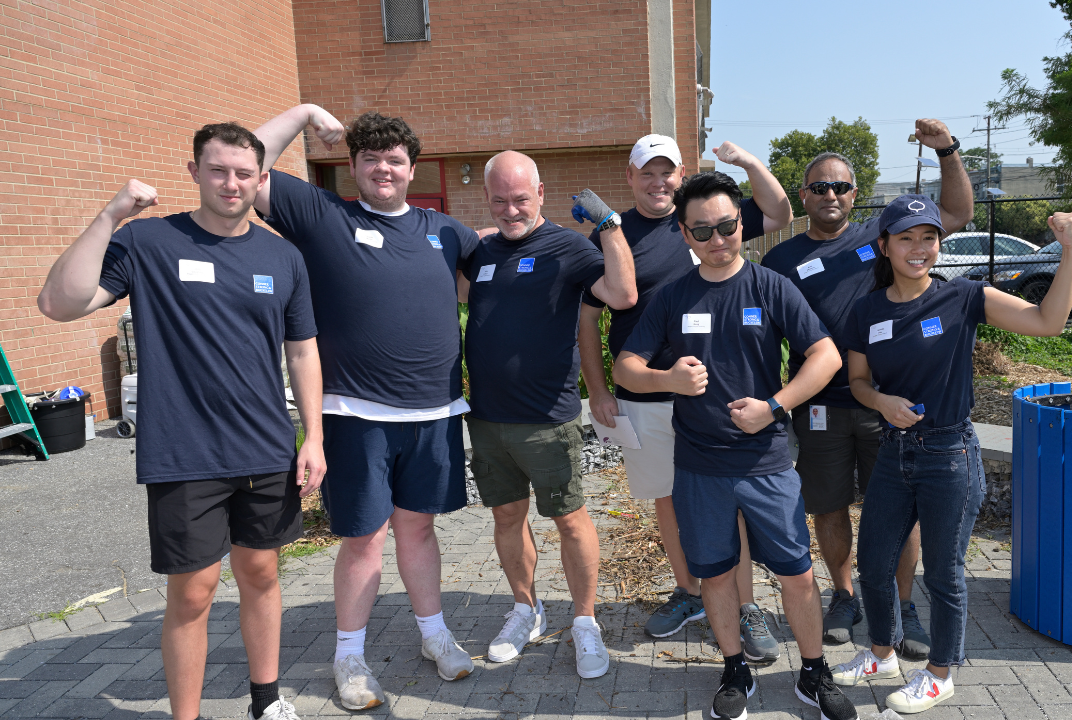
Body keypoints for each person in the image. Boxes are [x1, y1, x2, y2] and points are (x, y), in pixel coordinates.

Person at [36, 123, 326, 720]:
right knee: (193, 593)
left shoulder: (283, 256)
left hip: (266, 445)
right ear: (195, 172)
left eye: (244, 173)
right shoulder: (149, 242)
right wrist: (109, 216)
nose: (231, 183)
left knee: (261, 572)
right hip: (184, 450)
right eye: (218, 170)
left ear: (260, 179)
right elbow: (59, 303)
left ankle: (266, 701)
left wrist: (314, 436)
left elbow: (302, 351)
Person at [251, 105, 478, 710]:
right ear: (351, 166)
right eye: (370, 159)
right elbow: (246, 163)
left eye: (394, 160)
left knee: (419, 529)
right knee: (363, 539)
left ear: (412, 169)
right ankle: (349, 656)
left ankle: (435, 635)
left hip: (433, 414)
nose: (383, 169)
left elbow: (504, 268)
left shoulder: (445, 231)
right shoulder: (324, 216)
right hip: (354, 415)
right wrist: (305, 114)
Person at [614, 172, 858, 720]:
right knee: (717, 574)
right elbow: (625, 367)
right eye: (702, 231)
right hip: (698, 465)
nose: (717, 239)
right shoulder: (673, 296)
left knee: (797, 573)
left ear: (741, 225)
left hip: (766, 461)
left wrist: (774, 405)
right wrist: (667, 379)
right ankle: (734, 669)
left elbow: (826, 356)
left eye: (726, 226)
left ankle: (813, 673)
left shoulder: (770, 286)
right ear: (684, 234)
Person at [835, 195, 1072, 713]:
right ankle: (881, 654)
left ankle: (940, 673)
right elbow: (857, 381)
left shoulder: (964, 296)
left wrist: (1070, 250)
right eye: (906, 237)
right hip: (894, 452)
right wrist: (881, 401)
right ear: (884, 245)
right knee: (874, 563)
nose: (919, 248)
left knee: (943, 572)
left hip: (949, 454)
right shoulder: (867, 309)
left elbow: (1048, 321)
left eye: (929, 237)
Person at [760, 120, 973, 656]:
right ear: (803, 195)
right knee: (828, 507)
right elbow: (763, 334)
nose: (830, 194)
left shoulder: (884, 235)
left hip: (890, 406)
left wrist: (947, 150)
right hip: (819, 408)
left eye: (840, 186)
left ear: (856, 194)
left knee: (903, 514)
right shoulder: (780, 260)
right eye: (819, 186)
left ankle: (902, 604)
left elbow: (955, 214)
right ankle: (844, 595)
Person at [578, 135, 794, 657]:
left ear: (682, 175)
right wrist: (599, 389)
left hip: (718, 396)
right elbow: (587, 316)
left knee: (730, 502)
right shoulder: (611, 234)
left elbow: (779, 212)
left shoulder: (708, 220)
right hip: (647, 392)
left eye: (667, 172)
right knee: (669, 499)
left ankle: (745, 606)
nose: (658, 182)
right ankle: (690, 591)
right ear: (630, 178)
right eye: (647, 172)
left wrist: (746, 162)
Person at [462, 150, 636, 679]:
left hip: (546, 418)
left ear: (540, 193)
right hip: (487, 418)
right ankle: (526, 610)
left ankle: (584, 621)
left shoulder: (568, 247)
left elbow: (623, 293)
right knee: (506, 518)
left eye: (520, 199)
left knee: (569, 519)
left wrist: (609, 225)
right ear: (487, 198)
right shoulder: (482, 252)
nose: (510, 210)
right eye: (499, 200)